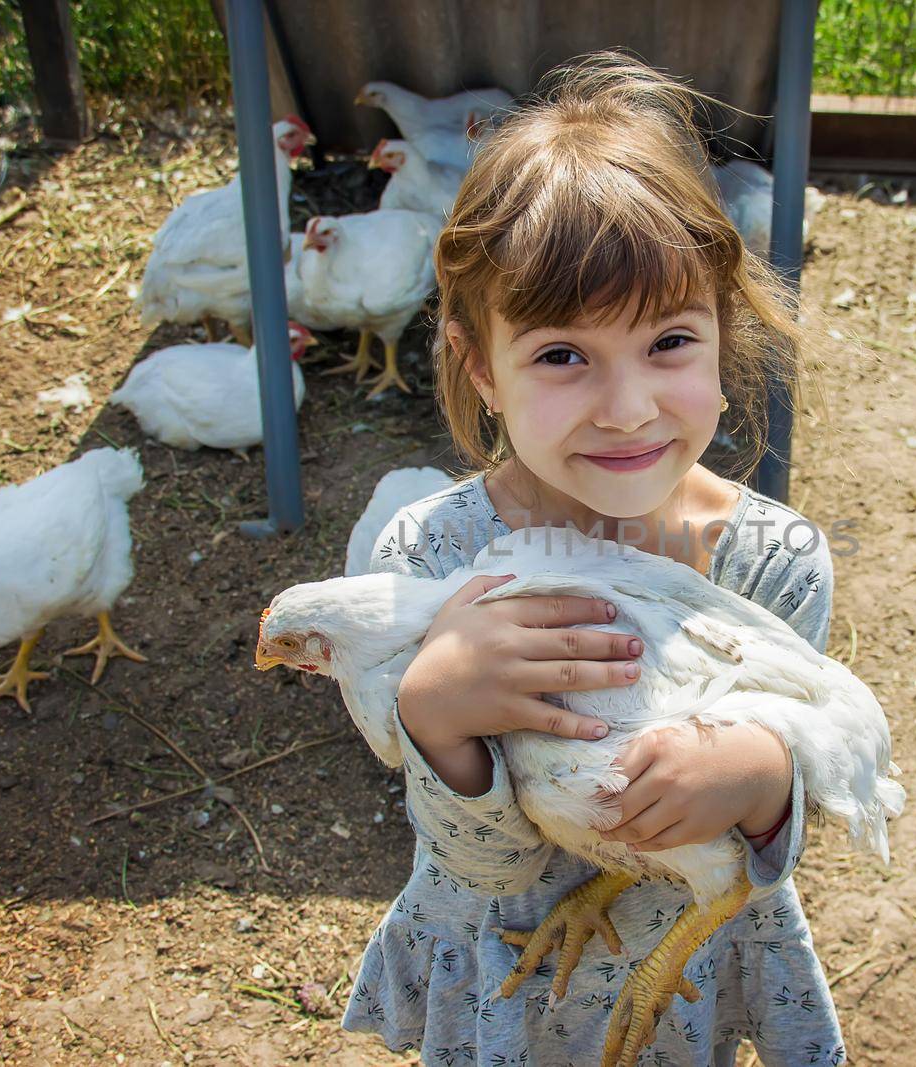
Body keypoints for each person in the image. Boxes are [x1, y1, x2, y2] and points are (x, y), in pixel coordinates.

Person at [345, 52, 847, 1066]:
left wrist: (764, 773)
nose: (627, 408)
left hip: (683, 978)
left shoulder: (771, 563)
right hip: (508, 979)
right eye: (562, 355)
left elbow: (788, 825)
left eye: (668, 341)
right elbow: (480, 865)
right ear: (481, 364)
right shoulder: (434, 559)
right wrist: (436, 712)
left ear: (721, 333)